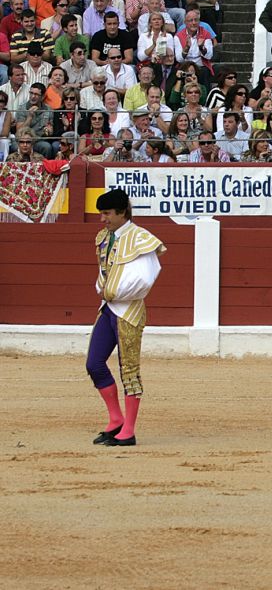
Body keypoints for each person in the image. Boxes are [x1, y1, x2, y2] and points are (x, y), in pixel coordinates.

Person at [87, 188, 166, 448]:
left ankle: (129, 431)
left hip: (129, 310)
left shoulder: (141, 238)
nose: (103, 219)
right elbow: (103, 272)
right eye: (101, 213)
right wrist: (104, 291)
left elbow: (145, 278)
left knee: (129, 370)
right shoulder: (104, 237)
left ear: (122, 212)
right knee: (94, 363)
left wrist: (112, 292)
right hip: (108, 308)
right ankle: (116, 419)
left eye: (107, 213)